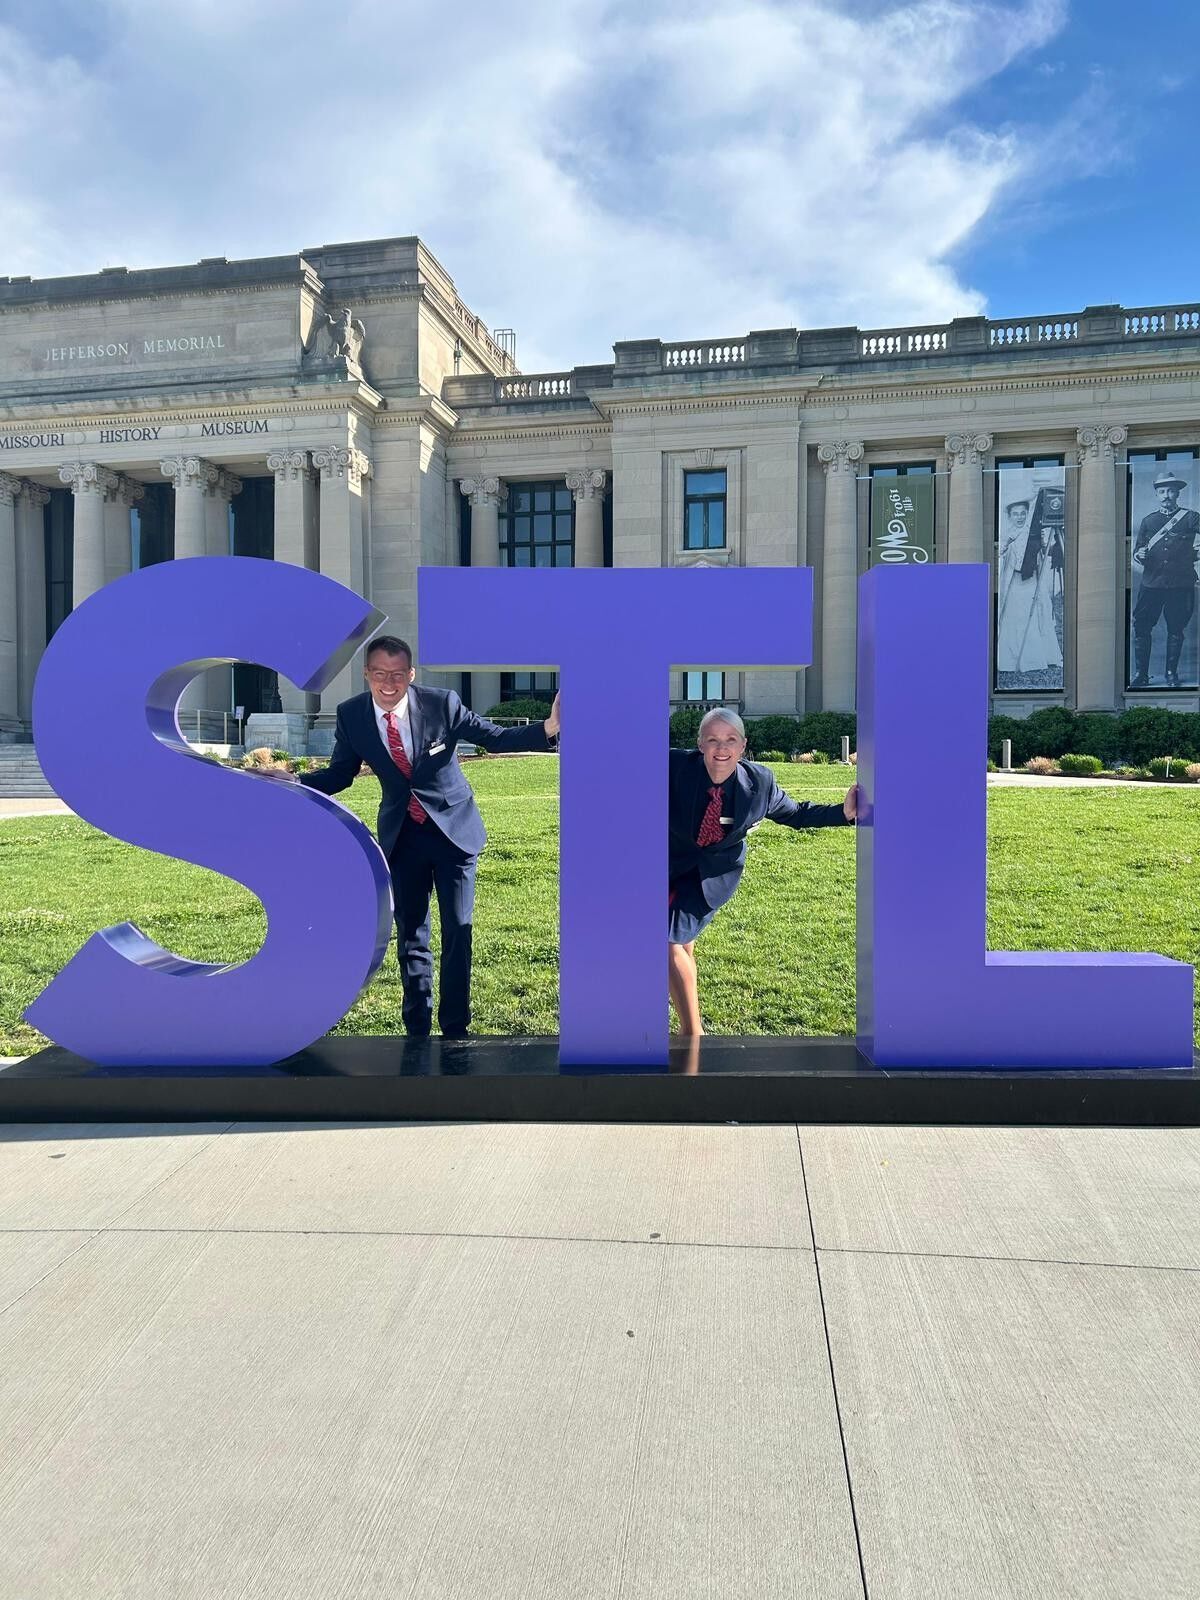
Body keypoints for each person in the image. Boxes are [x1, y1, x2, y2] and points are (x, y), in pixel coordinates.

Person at [300, 636, 560, 1038]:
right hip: (403, 838)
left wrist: (548, 728)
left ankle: (455, 1028)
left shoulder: (442, 704)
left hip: (453, 835)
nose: (389, 684)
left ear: (411, 675)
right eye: (381, 675)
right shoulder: (352, 715)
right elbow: (340, 774)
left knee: (458, 930)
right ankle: (417, 1030)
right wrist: (295, 781)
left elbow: (493, 737)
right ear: (367, 674)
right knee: (411, 937)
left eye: (399, 675)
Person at [667, 708, 858, 1037]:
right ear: (700, 744)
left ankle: (692, 1033)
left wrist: (844, 813)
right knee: (680, 946)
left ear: (743, 746)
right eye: (712, 740)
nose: (721, 748)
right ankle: (690, 1014)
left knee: (664, 941)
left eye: (730, 740)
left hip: (713, 876)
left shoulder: (760, 782)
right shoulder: (672, 766)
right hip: (667, 864)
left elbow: (796, 813)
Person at [1131, 467, 1200, 689]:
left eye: (1171, 491)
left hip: (1181, 584)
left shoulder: (1191, 518)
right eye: (1162, 492)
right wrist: (1139, 554)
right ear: (1157, 495)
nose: (1167, 495)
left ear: (1177, 493)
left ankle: (1171, 674)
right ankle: (1142, 675)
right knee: (1142, 627)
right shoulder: (1148, 521)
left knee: (1176, 629)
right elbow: (1138, 550)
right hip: (1152, 583)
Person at [996, 492, 1064, 682]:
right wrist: (1007, 543)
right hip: (1013, 584)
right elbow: (998, 558)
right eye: (1015, 514)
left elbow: (1043, 556)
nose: (1019, 517)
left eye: (1022, 513)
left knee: (1036, 616)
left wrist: (1046, 543)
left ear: (1027, 514)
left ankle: (1037, 657)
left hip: (1032, 581)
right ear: (1010, 516)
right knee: (1014, 618)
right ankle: (1011, 659)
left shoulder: (1033, 533)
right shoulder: (1005, 534)